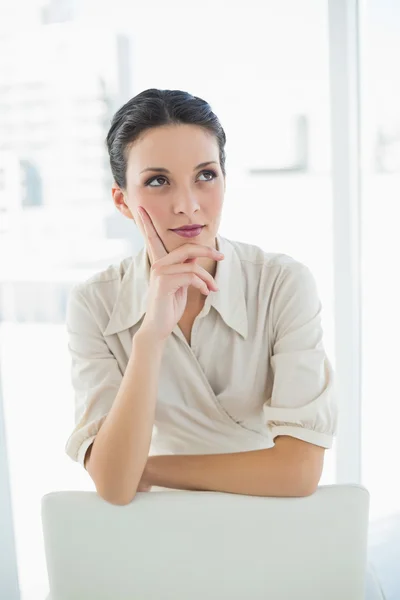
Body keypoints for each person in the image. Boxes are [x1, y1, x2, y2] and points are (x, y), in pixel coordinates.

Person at [65, 88, 337, 505]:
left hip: (268, 519)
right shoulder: (94, 303)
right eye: (158, 181)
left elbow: (298, 472)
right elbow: (116, 489)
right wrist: (151, 336)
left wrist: (144, 467)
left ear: (225, 180)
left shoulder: (283, 284)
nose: (187, 205)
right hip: (162, 530)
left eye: (205, 175)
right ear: (123, 201)